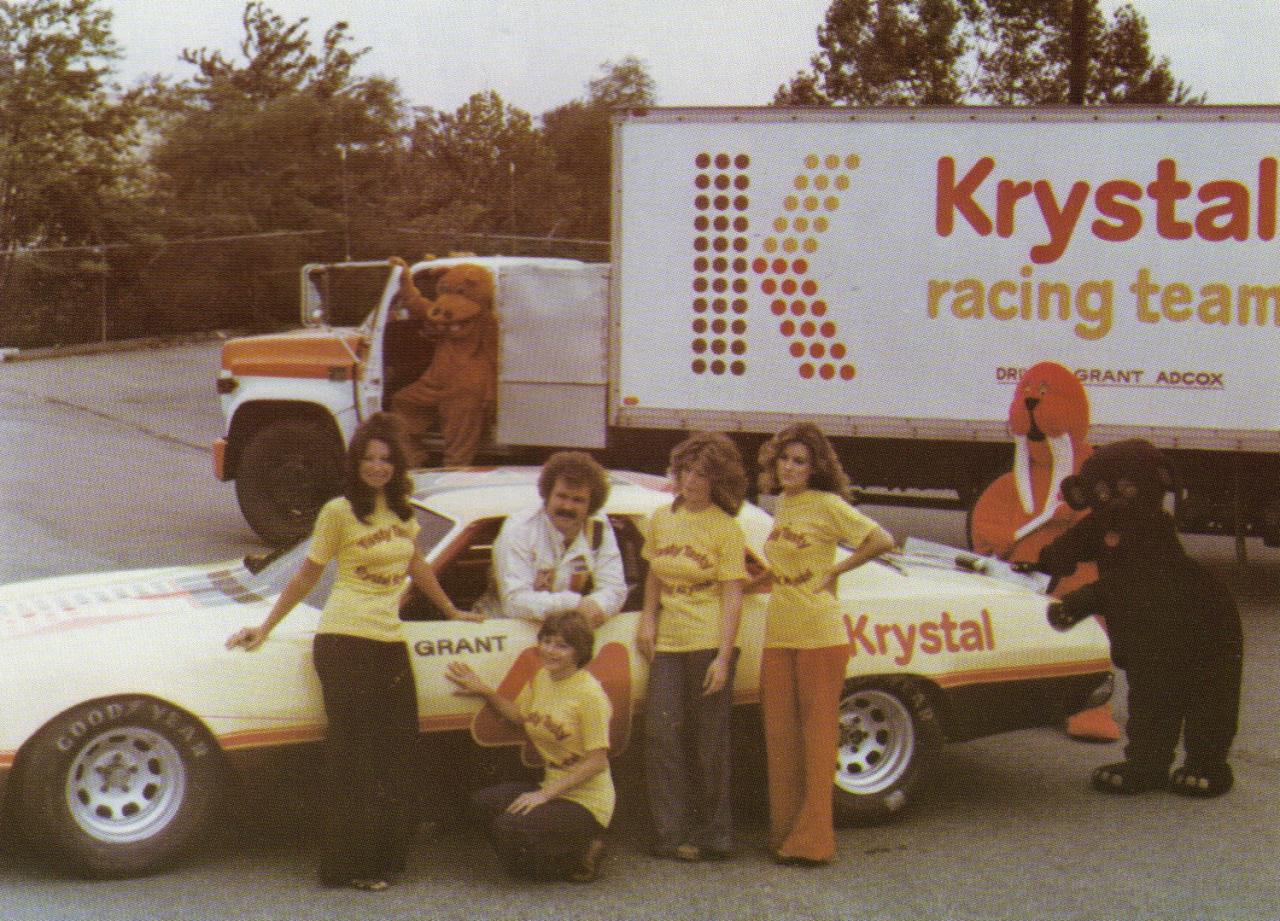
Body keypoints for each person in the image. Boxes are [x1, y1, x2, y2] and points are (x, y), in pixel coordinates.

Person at [226, 412, 469, 891]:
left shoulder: (403, 513)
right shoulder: (338, 511)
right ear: (355, 463)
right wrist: (266, 626)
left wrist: (451, 609)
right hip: (344, 641)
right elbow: (307, 574)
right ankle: (347, 866)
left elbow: (418, 565)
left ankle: (384, 857)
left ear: (396, 466)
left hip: (389, 641)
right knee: (355, 755)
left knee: (396, 750)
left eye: (386, 459)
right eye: (369, 458)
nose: (377, 467)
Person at [756, 422, 895, 866]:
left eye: (800, 461)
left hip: (819, 635)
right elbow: (782, 566)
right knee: (781, 738)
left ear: (815, 467)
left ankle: (814, 842)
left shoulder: (828, 504)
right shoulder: (782, 503)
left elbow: (882, 539)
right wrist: (747, 583)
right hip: (780, 632)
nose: (789, 467)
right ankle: (785, 833)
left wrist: (836, 570)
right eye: (784, 459)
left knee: (817, 742)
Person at [636, 431, 749, 861]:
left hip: (708, 641)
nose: (690, 481)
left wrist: (723, 657)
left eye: (701, 474)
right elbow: (654, 573)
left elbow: (733, 594)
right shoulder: (661, 518)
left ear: (717, 479)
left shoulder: (726, 528)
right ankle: (670, 832)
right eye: (685, 471)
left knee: (708, 743)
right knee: (660, 734)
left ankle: (714, 835)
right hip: (668, 643)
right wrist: (648, 617)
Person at [446, 611, 613, 883]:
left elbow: (597, 762)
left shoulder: (589, 695)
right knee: (482, 804)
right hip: (553, 785)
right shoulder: (542, 677)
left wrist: (544, 795)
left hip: (586, 801)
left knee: (509, 829)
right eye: (546, 641)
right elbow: (519, 716)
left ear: (579, 652)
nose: (550, 650)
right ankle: (553, 850)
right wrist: (485, 690)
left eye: (562, 645)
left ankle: (584, 849)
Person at [473, 451, 627, 626]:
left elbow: (615, 589)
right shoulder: (521, 528)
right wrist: (575, 604)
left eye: (578, 500)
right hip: (504, 626)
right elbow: (514, 602)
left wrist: (597, 605)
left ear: (591, 505)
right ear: (547, 494)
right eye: (561, 496)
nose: (567, 507)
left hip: (567, 628)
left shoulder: (597, 527)